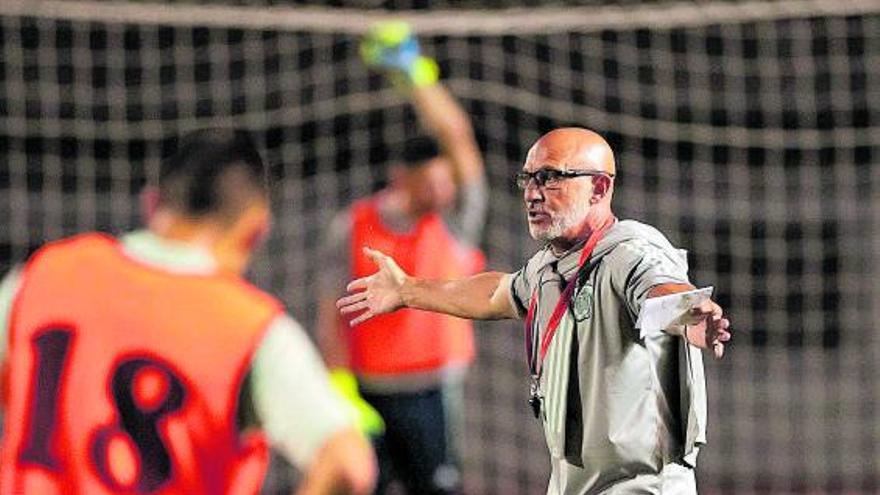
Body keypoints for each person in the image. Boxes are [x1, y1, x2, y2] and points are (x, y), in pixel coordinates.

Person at [337, 127, 733, 494]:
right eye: (528, 178)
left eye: (551, 177)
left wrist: (687, 312)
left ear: (598, 187)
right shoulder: (550, 267)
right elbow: (496, 292)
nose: (532, 192)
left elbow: (659, 287)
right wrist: (409, 289)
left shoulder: (629, 251)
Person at [0, 128, 377, 495]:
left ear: (151, 203)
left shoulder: (44, 273)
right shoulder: (249, 327)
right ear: (256, 229)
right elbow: (348, 464)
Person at [316, 22, 487, 495]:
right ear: (401, 178)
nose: (443, 190)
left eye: (446, 181)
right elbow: (331, 310)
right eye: (431, 181)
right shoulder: (353, 226)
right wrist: (339, 384)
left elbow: (457, 135)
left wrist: (414, 75)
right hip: (369, 389)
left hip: (434, 386)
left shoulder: (453, 224)